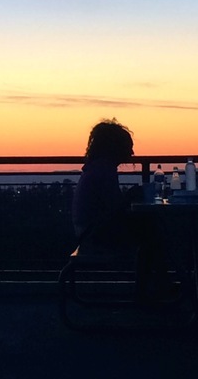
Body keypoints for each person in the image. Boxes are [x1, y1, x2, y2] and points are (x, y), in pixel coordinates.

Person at [71, 119, 173, 300]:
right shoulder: (104, 169)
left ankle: (153, 288)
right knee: (152, 232)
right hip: (94, 235)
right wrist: (131, 197)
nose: (132, 152)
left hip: (88, 231)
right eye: (128, 147)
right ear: (115, 146)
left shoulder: (98, 167)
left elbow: (111, 208)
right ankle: (157, 288)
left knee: (150, 231)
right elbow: (114, 209)